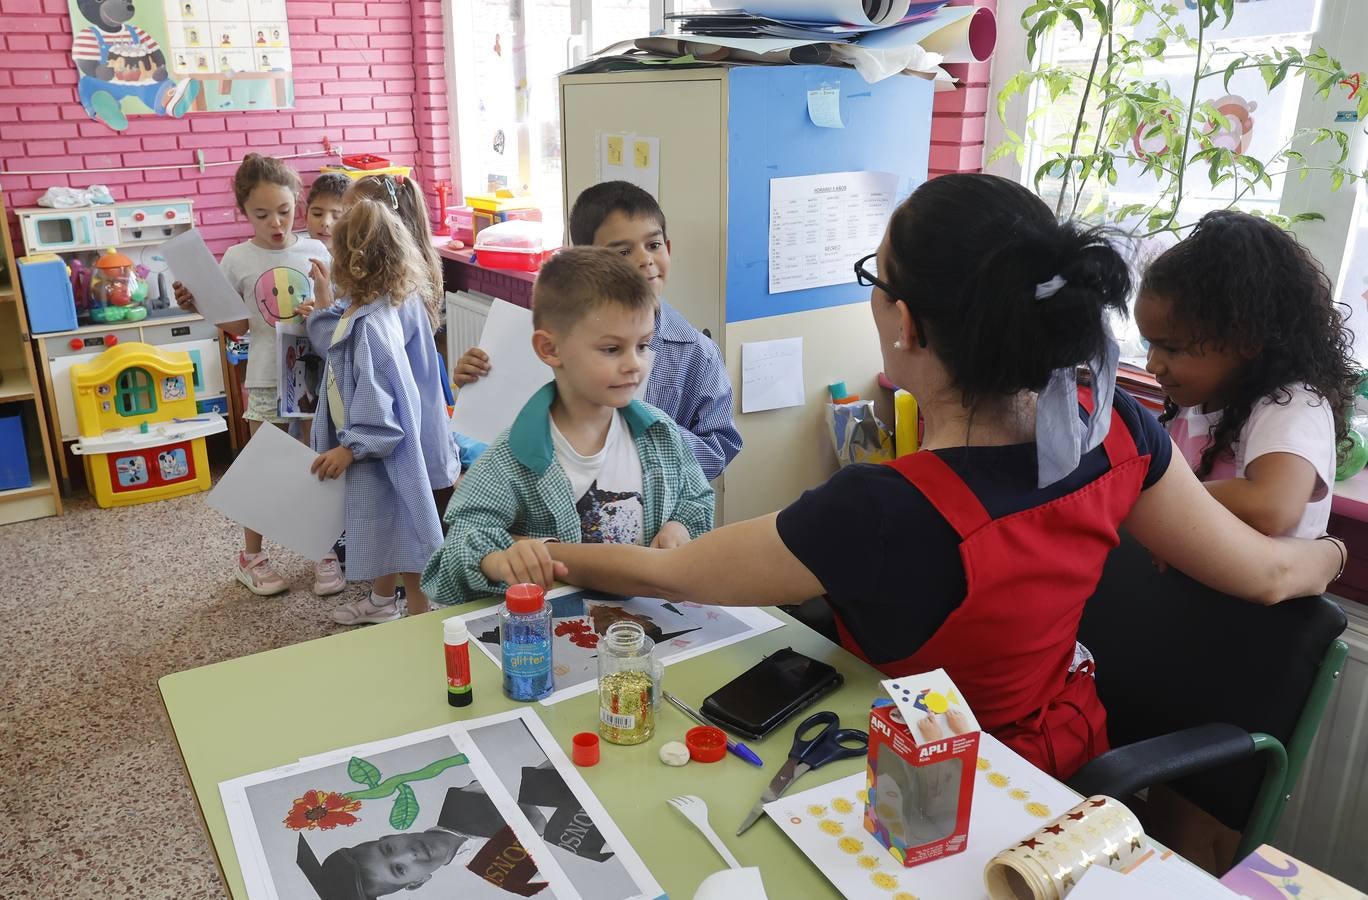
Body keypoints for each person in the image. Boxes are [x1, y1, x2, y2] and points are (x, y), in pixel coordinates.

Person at [531, 175, 1346, 783]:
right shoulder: (1119, 433)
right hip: (1061, 765)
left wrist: (543, 550)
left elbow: (675, 572)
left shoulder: (887, 509)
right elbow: (1274, 572)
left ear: (907, 321)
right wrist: (1333, 561)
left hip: (923, 782)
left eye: (875, 284)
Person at [422, 248, 715, 605]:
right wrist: (500, 561)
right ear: (550, 349)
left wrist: (679, 526)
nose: (634, 365)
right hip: (559, 636)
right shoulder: (514, 458)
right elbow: (455, 552)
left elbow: (696, 498)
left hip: (646, 631)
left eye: (642, 346)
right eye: (611, 349)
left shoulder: (661, 435)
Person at [452, 181, 742, 480]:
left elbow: (718, 451)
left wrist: (649, 429)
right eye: (622, 252)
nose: (644, 260)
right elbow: (502, 427)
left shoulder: (697, 353)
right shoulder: (557, 338)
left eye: (653, 245)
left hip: (652, 516)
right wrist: (475, 383)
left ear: (667, 249)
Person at [174, 154, 337, 598]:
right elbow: (238, 326)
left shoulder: (317, 251)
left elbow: (339, 315)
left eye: (284, 212)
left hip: (316, 378)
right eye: (262, 215)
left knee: (319, 462)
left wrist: (321, 306)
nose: (277, 224)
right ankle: (252, 556)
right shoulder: (236, 258)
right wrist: (199, 304)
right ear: (243, 212)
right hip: (266, 377)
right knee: (266, 465)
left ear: (296, 206)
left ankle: (323, 548)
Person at [1136, 210, 1357, 538]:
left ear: (1246, 341)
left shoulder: (1290, 405)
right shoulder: (1193, 404)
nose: (1152, 365)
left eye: (1172, 348)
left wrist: (1148, 497)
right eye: (1149, 345)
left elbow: (1272, 507)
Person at [306, 198, 445, 624]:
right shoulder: (375, 310)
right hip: (379, 455)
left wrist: (350, 448)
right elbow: (331, 333)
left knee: (405, 533)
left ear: (348, 262)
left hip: (379, 455)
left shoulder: (371, 327)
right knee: (386, 528)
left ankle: (421, 619)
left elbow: (381, 415)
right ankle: (385, 603)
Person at [297, 784, 549, 898]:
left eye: (388, 848)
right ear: (417, 882)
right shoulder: (513, 876)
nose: (409, 854)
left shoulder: (464, 797)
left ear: (390, 836)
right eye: (399, 869)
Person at [304, 173, 352, 250]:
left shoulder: (359, 259)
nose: (326, 222)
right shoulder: (297, 254)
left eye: (336, 217)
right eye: (317, 214)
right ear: (305, 216)